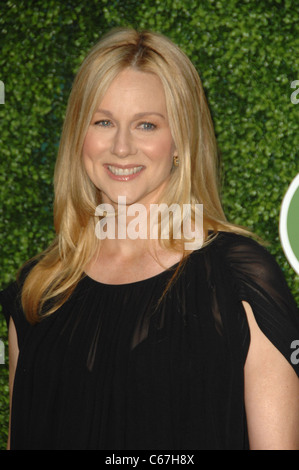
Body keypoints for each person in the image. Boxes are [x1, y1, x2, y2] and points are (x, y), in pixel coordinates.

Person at [1, 28, 299, 451]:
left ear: (180, 141)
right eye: (103, 121)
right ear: (78, 137)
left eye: (146, 124)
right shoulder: (39, 290)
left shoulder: (238, 280)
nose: (122, 147)